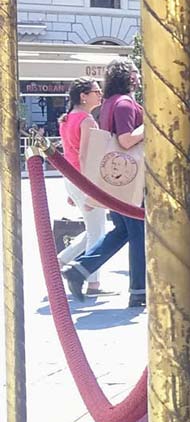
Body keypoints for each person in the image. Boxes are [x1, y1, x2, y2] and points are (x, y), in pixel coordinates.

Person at [63, 58, 146, 308]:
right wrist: (150, 125)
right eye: (135, 73)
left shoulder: (110, 103)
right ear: (128, 77)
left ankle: (80, 269)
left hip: (115, 178)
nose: (139, 77)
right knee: (138, 233)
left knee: (122, 230)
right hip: (129, 178)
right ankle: (138, 291)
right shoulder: (123, 103)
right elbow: (126, 140)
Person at [57, 79, 105, 294]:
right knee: (97, 232)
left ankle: (63, 259)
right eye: (96, 90)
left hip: (72, 178)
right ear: (83, 96)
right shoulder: (86, 121)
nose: (100, 93)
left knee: (93, 228)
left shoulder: (66, 119)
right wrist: (89, 188)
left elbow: (69, 154)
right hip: (85, 179)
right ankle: (92, 281)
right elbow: (87, 155)